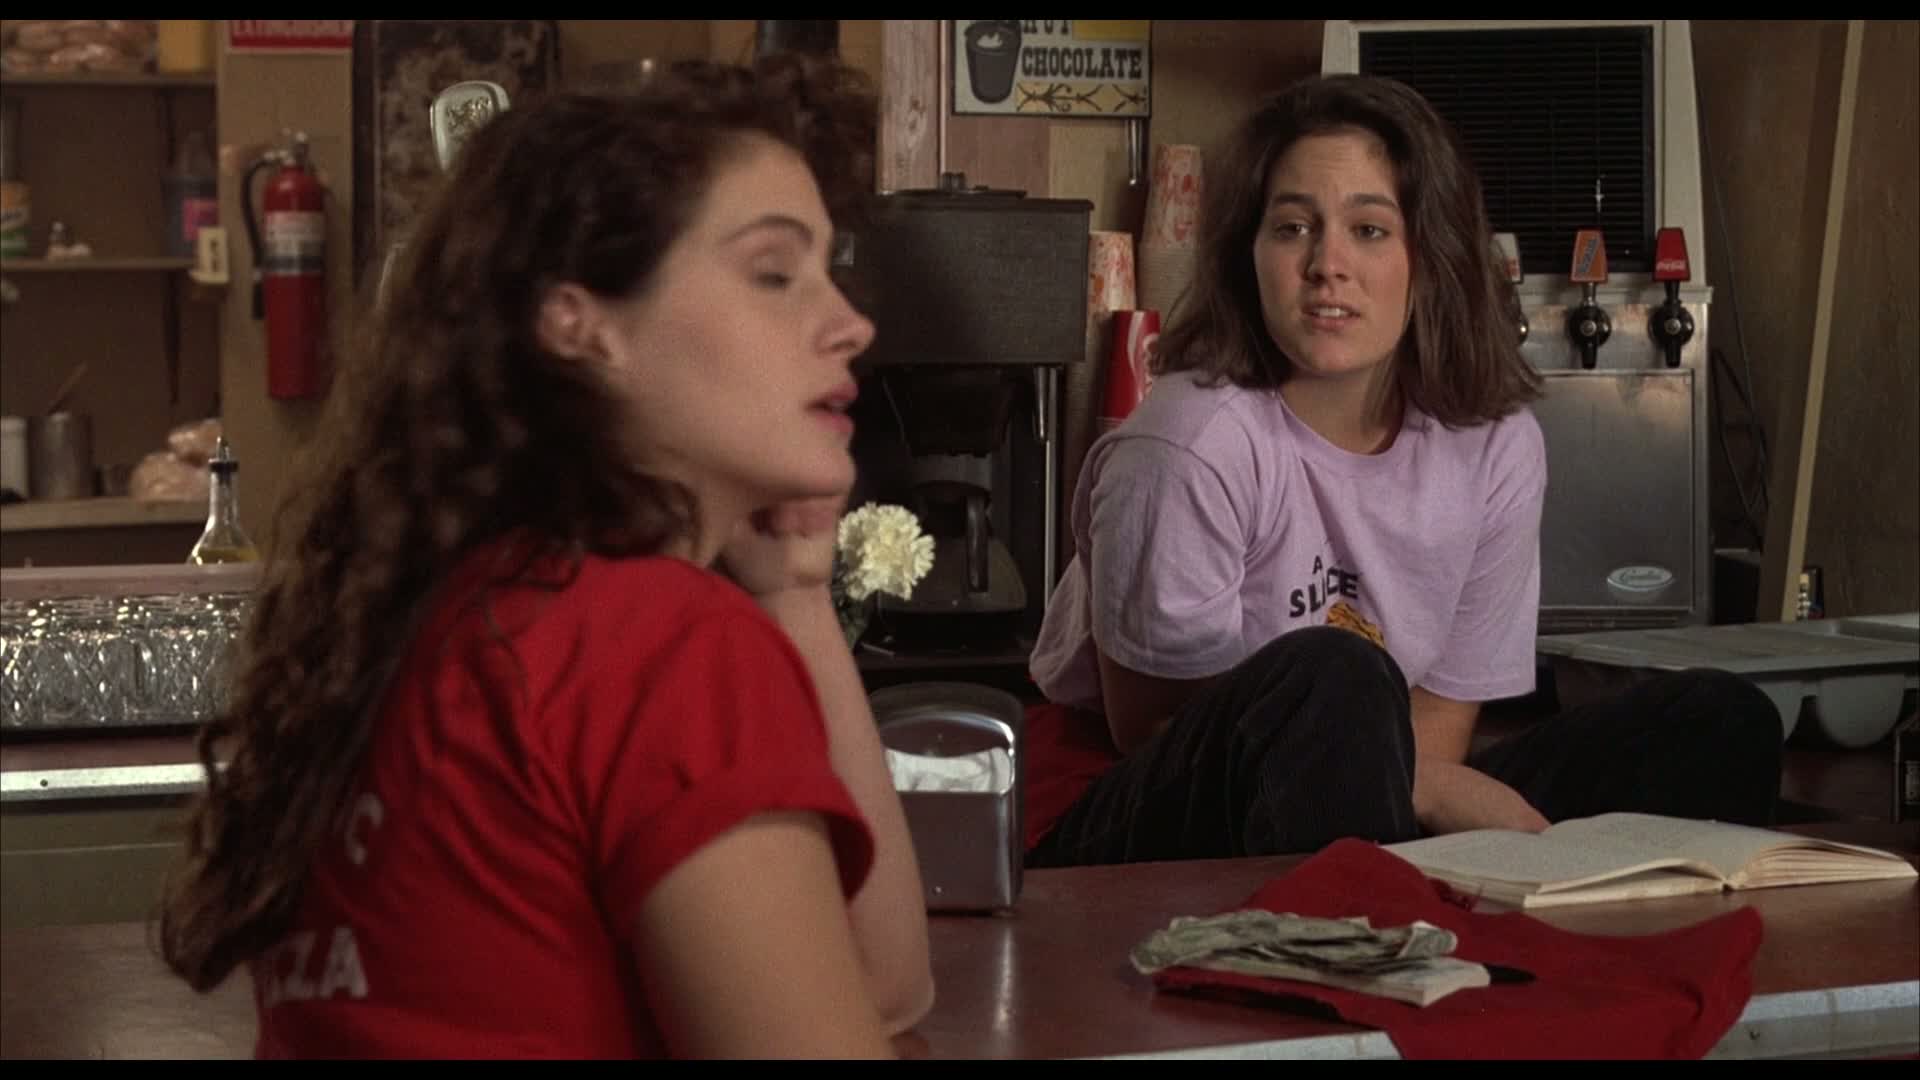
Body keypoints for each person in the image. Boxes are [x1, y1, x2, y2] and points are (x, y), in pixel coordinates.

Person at [158, 56, 934, 1058]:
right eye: (775, 274)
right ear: (583, 323)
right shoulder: (660, 646)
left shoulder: (452, 610)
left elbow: (884, 989)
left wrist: (794, 593)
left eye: (833, 270)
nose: (851, 325)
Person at [1022, 73, 1783, 868]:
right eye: (1292, 227)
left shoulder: (1496, 447)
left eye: (1370, 230)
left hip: (1368, 791)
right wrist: (1392, 768)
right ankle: (1375, 924)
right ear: (1250, 255)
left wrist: (1418, 788)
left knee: (1718, 721)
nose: (1328, 265)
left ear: (1432, 257)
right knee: (1334, 676)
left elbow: (1434, 743)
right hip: (1131, 818)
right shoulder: (1190, 442)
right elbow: (1150, 730)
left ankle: (1521, 922)